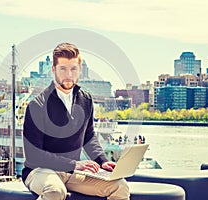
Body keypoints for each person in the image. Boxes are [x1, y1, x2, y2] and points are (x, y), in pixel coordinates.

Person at [22, 42, 129, 200]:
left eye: (73, 69)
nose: (69, 75)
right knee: (55, 191)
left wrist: (103, 161)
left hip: (72, 173)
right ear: (54, 70)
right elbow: (33, 155)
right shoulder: (37, 105)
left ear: (80, 70)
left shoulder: (86, 99)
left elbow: (89, 136)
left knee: (120, 186)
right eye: (63, 69)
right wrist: (74, 164)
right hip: (39, 171)